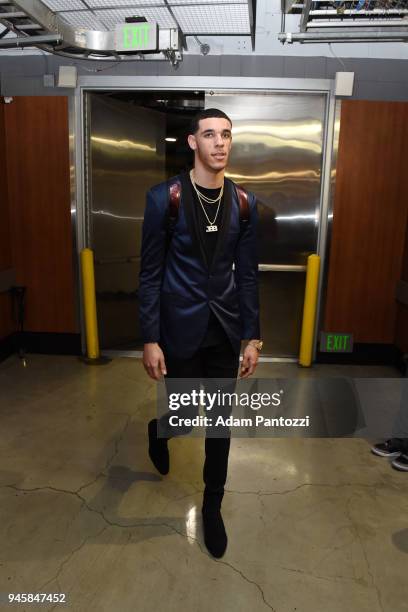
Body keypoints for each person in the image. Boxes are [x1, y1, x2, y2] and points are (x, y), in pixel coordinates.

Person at [139, 108, 262, 558]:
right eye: (209, 134)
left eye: (226, 134)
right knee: (187, 416)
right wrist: (150, 338)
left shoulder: (244, 202)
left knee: (220, 425)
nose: (220, 143)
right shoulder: (164, 198)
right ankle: (159, 430)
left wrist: (253, 335)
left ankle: (213, 507)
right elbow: (150, 272)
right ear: (193, 142)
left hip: (225, 330)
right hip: (180, 328)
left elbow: (248, 275)